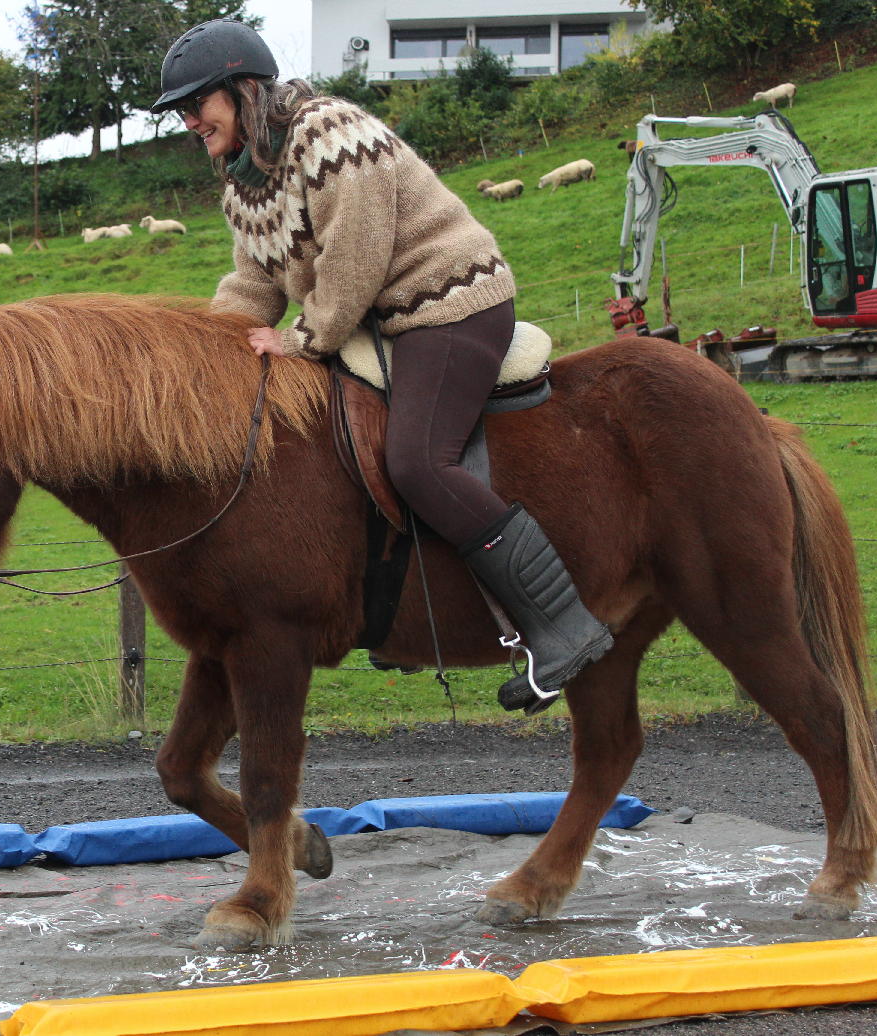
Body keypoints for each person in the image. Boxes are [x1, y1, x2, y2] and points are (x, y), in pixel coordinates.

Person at [150, 19, 612, 711]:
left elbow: (355, 259)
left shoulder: (327, 135)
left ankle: (563, 627)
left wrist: (302, 340)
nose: (190, 121)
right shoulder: (244, 182)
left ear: (242, 91)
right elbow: (252, 283)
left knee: (420, 463)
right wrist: (208, 352)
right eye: (181, 112)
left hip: (449, 303)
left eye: (197, 104)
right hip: (377, 320)